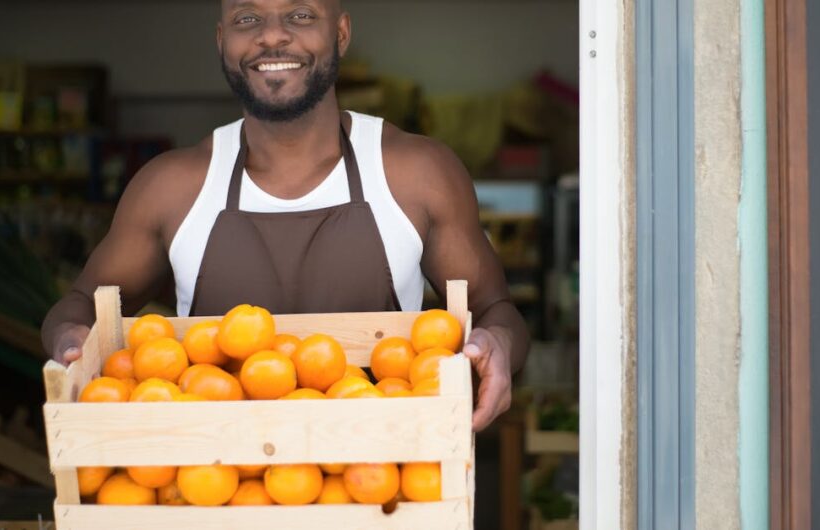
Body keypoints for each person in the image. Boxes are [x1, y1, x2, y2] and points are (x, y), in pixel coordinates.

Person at [41, 0, 529, 431]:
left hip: (384, 494)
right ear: (222, 39)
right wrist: (71, 344)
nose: (272, 35)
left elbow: (495, 311)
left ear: (340, 33)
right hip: (214, 493)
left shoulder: (417, 173)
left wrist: (498, 347)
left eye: (300, 15)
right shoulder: (170, 187)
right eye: (247, 18)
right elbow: (81, 303)